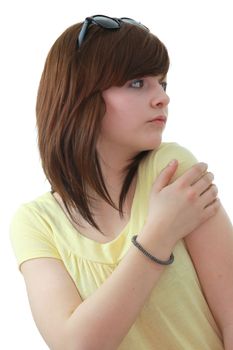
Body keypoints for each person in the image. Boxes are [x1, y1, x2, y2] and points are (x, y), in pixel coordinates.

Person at [10, 15, 233, 350]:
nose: (162, 97)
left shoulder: (171, 170)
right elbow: (76, 345)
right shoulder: (36, 223)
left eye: (162, 83)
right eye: (137, 83)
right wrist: (160, 232)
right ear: (78, 95)